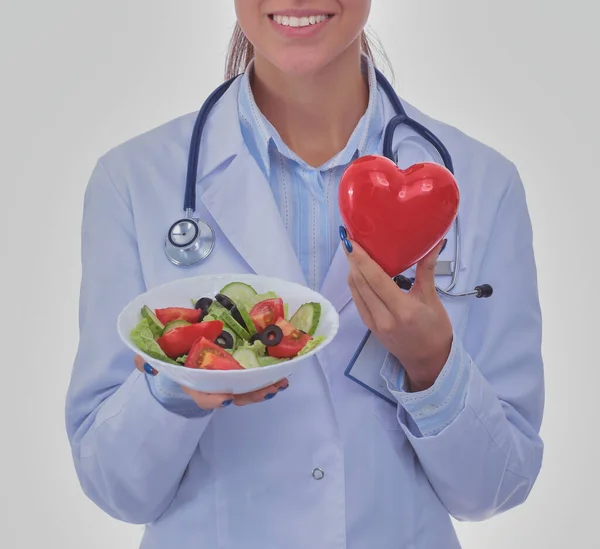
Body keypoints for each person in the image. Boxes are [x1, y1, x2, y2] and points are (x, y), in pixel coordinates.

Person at [65, 2, 545, 548]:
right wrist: (177, 382)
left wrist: (431, 363)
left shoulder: (483, 184)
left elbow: (496, 489)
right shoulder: (132, 182)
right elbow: (113, 486)